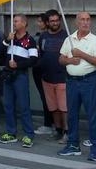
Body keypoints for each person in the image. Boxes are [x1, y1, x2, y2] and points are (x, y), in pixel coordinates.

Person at [57, 11, 96, 162]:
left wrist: (81, 54)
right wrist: (70, 61)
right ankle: (73, 145)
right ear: (76, 22)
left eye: (88, 19)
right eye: (82, 20)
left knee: (93, 116)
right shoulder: (69, 39)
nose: (86, 22)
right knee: (72, 114)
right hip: (71, 81)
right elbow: (61, 59)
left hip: (88, 81)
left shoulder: (95, 40)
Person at [0, 14, 38, 148]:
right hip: (8, 75)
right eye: (13, 21)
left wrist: (19, 65)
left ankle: (29, 134)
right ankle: (11, 132)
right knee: (8, 105)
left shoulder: (30, 40)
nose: (13, 23)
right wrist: (6, 41)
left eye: (16, 21)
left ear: (24, 23)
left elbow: (33, 59)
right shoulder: (10, 38)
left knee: (23, 106)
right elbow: (0, 53)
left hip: (20, 75)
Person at [38, 9, 69, 143]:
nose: (55, 23)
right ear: (47, 23)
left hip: (63, 78)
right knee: (53, 107)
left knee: (64, 108)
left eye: (57, 20)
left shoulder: (66, 36)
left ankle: (67, 132)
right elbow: (41, 53)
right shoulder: (43, 36)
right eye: (52, 21)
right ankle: (58, 130)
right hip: (47, 78)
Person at [33, 12, 54, 135]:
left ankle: (49, 123)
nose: (38, 24)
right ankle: (50, 122)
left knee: (47, 97)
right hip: (38, 68)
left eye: (40, 21)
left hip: (45, 69)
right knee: (44, 96)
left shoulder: (47, 37)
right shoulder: (38, 36)